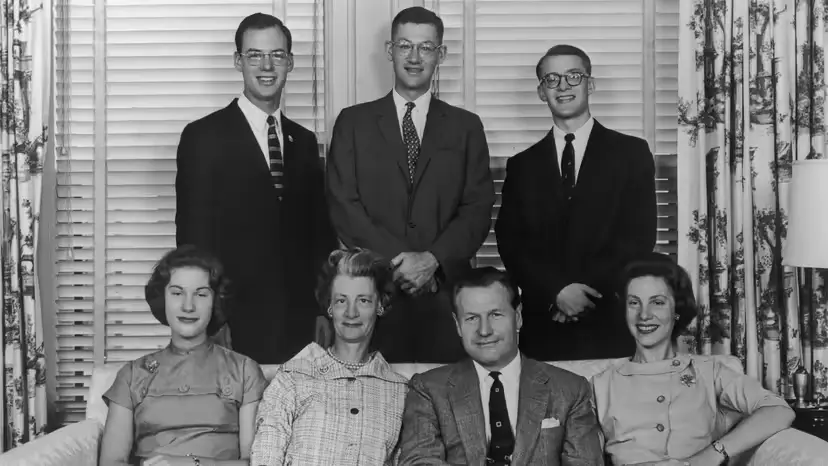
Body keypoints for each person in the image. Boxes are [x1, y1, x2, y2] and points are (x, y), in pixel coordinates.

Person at [325, 6, 495, 363]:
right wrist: (400, 266)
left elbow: (477, 209)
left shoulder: (466, 127)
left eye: (426, 47)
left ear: (441, 54)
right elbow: (344, 205)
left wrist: (433, 260)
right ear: (390, 52)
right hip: (374, 298)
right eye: (405, 46)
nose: (414, 58)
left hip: (447, 298)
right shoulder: (353, 123)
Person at [175, 13, 336, 364]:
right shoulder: (204, 137)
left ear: (290, 62)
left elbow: (319, 239)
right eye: (254, 55)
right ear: (238, 61)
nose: (267, 66)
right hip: (233, 322)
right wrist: (212, 316)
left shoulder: (305, 142)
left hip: (299, 324)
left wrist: (323, 310)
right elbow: (192, 240)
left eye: (277, 55)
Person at [495, 44, 657, 361]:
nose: (563, 86)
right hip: (544, 325)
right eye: (552, 79)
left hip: (610, 319)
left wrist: (584, 294)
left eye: (573, 76)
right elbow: (512, 243)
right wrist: (557, 292)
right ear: (542, 92)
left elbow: (639, 237)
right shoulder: (521, 165)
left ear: (590, 84)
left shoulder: (631, 154)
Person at [592, 253, 795, 465]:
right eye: (634, 303)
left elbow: (778, 410)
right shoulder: (600, 384)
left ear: (676, 309)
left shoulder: (710, 370)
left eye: (657, 302)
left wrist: (712, 454)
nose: (644, 315)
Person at [398, 267, 604, 466]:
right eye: (471, 318)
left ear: (518, 316)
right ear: (457, 325)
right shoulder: (428, 389)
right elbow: (420, 461)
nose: (484, 330)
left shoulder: (571, 389)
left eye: (495, 315)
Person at [99, 246, 268, 466]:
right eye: (177, 293)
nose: (188, 306)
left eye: (201, 294)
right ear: (163, 298)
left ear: (216, 300)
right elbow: (110, 462)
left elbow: (257, 462)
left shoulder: (244, 371)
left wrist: (196, 465)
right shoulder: (131, 375)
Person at [250, 248, 409, 465]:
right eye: (341, 301)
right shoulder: (293, 379)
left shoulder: (401, 392)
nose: (351, 313)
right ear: (330, 307)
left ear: (380, 305)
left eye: (363, 300)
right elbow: (265, 458)